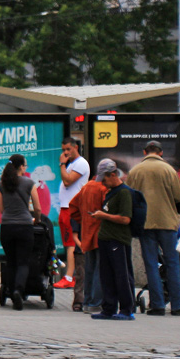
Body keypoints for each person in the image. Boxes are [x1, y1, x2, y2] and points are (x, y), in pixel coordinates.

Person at [126, 140, 180, 316]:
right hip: (167, 222)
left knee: (151, 264)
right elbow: (179, 196)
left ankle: (158, 305)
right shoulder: (169, 170)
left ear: (145, 152)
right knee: (172, 263)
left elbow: (129, 195)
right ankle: (177, 305)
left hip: (145, 222)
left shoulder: (136, 171)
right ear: (160, 153)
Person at [91, 159, 136, 321]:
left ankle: (126, 308)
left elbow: (125, 219)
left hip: (118, 239)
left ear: (112, 175)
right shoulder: (110, 192)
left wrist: (103, 216)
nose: (103, 183)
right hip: (105, 238)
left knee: (121, 275)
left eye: (104, 179)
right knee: (106, 275)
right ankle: (108, 308)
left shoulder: (124, 192)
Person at [0, 154, 40, 310]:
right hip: (24, 226)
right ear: (21, 166)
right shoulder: (29, 183)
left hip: (7, 227)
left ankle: (10, 289)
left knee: (11, 261)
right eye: (26, 165)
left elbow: (2, 209)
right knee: (23, 262)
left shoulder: (1, 185)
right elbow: (37, 207)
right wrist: (37, 219)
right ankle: (18, 290)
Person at [68, 171, 107, 313]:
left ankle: (87, 301)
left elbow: (73, 207)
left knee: (89, 269)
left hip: (87, 233)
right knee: (99, 269)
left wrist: (83, 220)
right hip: (101, 232)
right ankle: (95, 303)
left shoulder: (85, 187)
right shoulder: (103, 188)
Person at [54, 137, 89, 290]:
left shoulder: (80, 163)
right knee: (68, 243)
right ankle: (70, 275)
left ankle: (69, 276)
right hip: (65, 208)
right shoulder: (72, 164)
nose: (66, 153)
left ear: (76, 147)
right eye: (63, 150)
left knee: (71, 244)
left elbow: (68, 181)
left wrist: (62, 164)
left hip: (72, 210)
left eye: (68, 149)